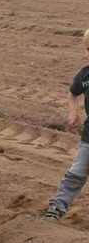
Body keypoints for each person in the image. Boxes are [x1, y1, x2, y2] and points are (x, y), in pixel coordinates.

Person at [44, 29, 89, 222]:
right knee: (76, 173)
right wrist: (73, 111)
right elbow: (72, 94)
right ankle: (57, 206)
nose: (87, 54)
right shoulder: (85, 74)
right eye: (87, 49)